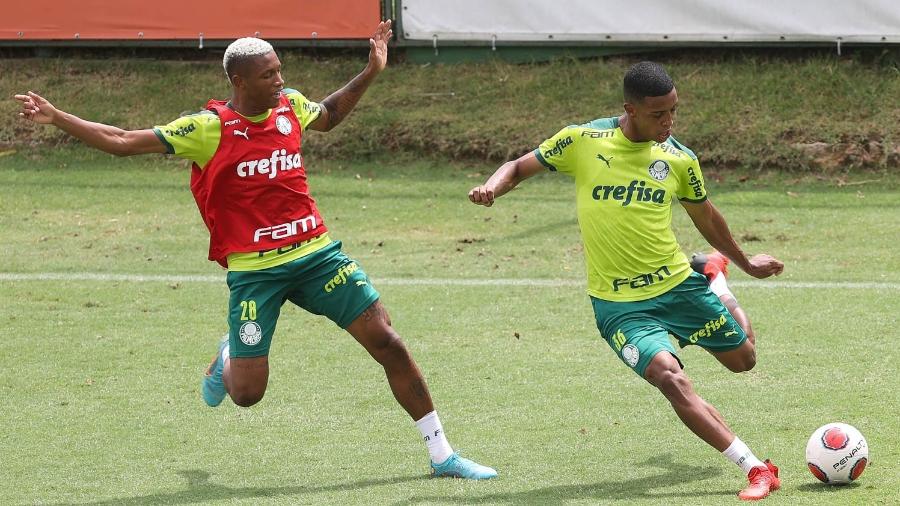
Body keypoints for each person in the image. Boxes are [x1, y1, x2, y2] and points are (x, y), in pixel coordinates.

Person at [15, 21, 496, 480]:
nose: (279, 80)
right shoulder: (207, 128)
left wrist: (371, 71)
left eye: (280, 70)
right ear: (238, 80)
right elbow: (122, 140)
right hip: (256, 275)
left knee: (387, 342)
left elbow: (327, 115)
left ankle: (443, 454)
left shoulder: (289, 106)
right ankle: (228, 354)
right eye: (269, 74)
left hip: (317, 256)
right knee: (246, 394)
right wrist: (58, 117)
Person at [468, 61, 784, 500]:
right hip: (620, 307)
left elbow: (707, 217)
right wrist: (492, 186)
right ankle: (756, 469)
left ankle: (716, 279)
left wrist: (745, 263)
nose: (669, 122)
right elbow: (518, 167)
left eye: (674, 111)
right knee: (671, 379)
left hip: (677, 286)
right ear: (629, 109)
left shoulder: (678, 158)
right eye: (659, 114)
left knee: (744, 360)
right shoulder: (582, 140)